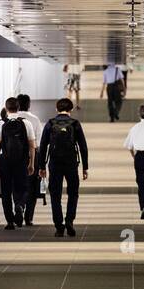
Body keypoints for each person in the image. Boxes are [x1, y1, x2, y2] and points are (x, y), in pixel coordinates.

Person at [37, 98, 89, 237]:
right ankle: (70, 221)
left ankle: (59, 226)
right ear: (71, 109)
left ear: (56, 109)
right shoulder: (75, 123)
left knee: (55, 195)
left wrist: (41, 167)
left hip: (54, 163)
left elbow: (43, 147)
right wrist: (85, 167)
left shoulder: (50, 123)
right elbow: (83, 147)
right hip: (71, 163)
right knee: (73, 193)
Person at [0, 97, 38, 229]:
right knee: (21, 187)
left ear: (6, 108)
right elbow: (32, 146)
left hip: (5, 161)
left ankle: (10, 221)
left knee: (6, 190)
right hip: (21, 160)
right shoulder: (26, 123)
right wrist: (32, 163)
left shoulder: (1, 123)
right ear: (18, 108)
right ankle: (20, 205)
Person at [16, 94, 45, 226]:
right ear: (29, 105)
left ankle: (19, 204)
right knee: (32, 187)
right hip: (32, 156)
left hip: (14, 158)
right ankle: (28, 217)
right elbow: (38, 143)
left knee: (17, 184)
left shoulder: (11, 119)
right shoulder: (34, 120)